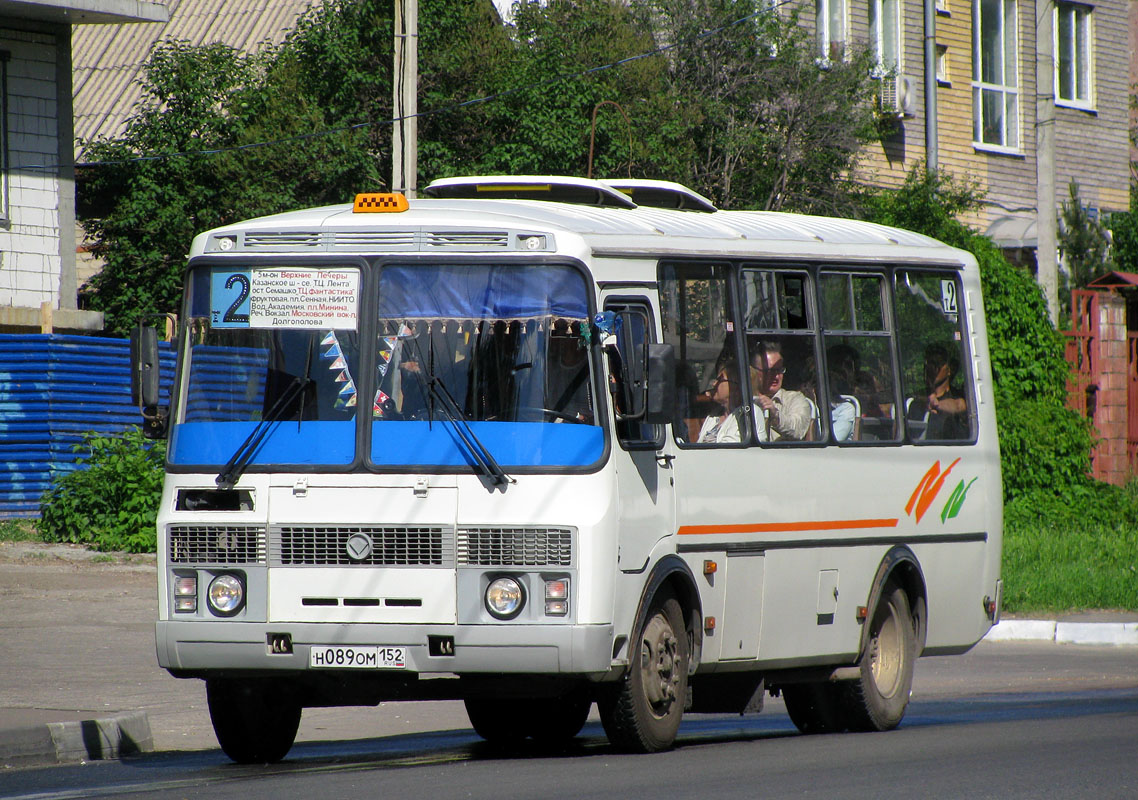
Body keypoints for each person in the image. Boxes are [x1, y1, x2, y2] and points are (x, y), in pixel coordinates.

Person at [750, 341, 812, 442]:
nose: (776, 376)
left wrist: (774, 415)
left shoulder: (795, 399)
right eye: (769, 371)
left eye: (779, 370)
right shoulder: (745, 400)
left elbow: (798, 430)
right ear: (754, 371)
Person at [907, 342, 968, 439]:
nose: (931, 368)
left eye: (937, 363)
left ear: (950, 369)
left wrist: (936, 404)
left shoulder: (956, 396)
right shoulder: (916, 400)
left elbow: (958, 406)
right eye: (928, 362)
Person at [696, 357, 745, 443]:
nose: (714, 384)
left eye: (720, 380)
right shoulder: (714, 416)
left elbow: (729, 449)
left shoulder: (744, 416)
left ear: (735, 386)